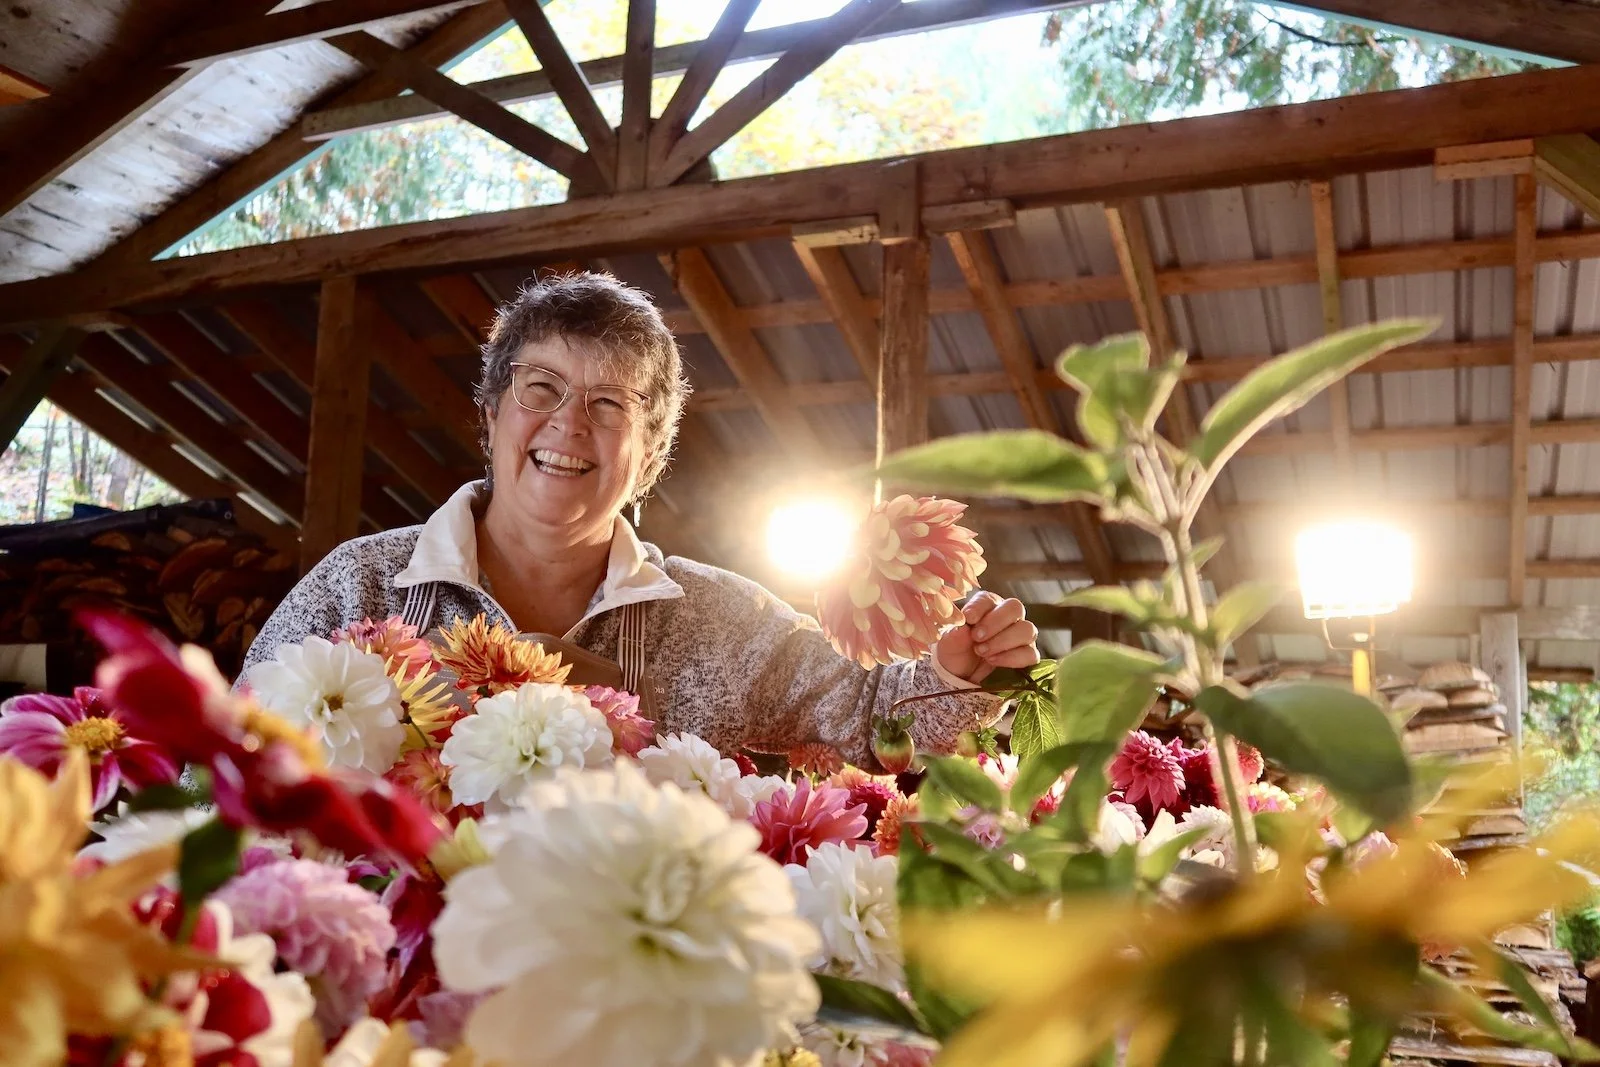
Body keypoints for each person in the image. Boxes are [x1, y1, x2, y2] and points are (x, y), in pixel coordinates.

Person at [241, 272, 1039, 768]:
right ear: (489, 415)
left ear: (651, 452)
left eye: (610, 403)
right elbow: (212, 762)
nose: (569, 424)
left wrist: (961, 672)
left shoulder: (723, 620)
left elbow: (871, 720)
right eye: (541, 387)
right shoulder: (362, 584)